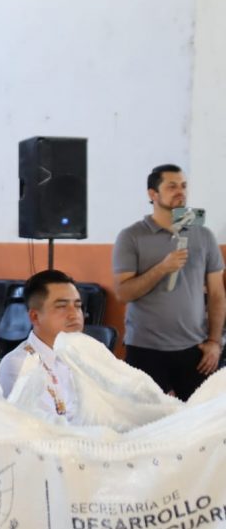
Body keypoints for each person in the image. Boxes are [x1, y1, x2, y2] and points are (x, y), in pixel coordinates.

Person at [113, 164, 225, 400]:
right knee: (149, 424)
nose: (180, 191)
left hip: (194, 350)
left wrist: (215, 341)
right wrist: (162, 268)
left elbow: (217, 294)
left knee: (198, 425)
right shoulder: (131, 236)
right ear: (152, 194)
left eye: (183, 186)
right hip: (145, 349)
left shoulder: (203, 235)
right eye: (171, 186)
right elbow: (123, 293)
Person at [0, 270, 84, 419]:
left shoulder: (84, 356)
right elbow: (43, 431)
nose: (74, 314)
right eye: (62, 306)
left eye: (77, 305)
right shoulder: (20, 365)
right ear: (35, 317)